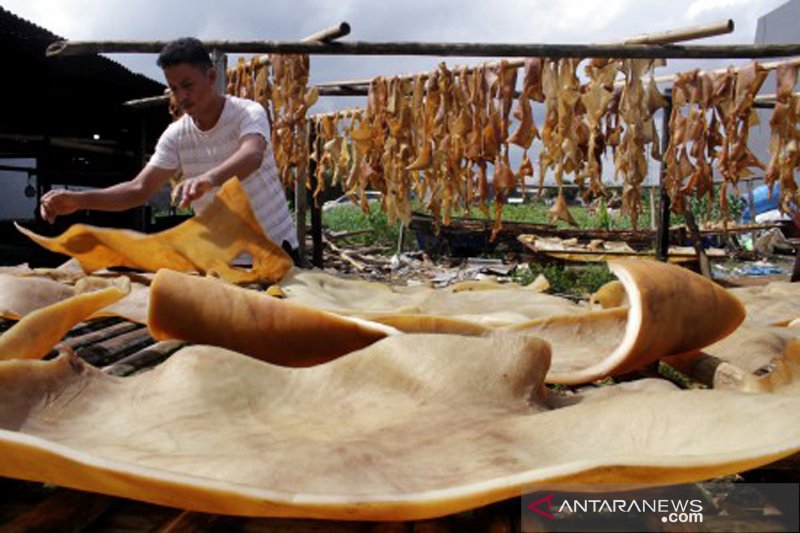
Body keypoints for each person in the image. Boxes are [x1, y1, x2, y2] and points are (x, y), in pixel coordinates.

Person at [39, 37, 300, 263]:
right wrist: (79, 199)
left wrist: (209, 179)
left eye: (188, 85)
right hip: (224, 261)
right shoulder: (176, 135)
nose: (181, 96)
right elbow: (138, 190)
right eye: (174, 89)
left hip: (278, 251)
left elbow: (252, 155)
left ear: (211, 77)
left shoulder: (247, 112)